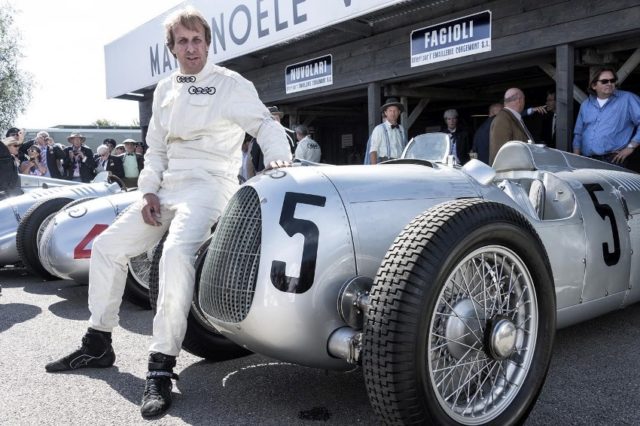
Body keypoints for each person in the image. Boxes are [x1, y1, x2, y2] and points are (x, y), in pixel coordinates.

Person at [44, 6, 292, 420]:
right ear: (172, 47)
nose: (191, 48)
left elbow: (265, 125)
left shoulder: (230, 84)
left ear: (208, 43)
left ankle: (160, 366)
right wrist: (146, 192)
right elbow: (155, 149)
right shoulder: (164, 89)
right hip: (166, 187)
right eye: (182, 41)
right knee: (106, 246)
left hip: (211, 184)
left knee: (176, 256)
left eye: (197, 40)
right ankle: (97, 342)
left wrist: (280, 161)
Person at [573, 66, 640, 168]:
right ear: (594, 85)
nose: (609, 84)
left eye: (612, 80)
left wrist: (631, 147)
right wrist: (576, 158)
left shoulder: (627, 99)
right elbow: (578, 133)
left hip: (613, 159)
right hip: (586, 160)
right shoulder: (586, 104)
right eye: (604, 81)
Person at [489, 88, 536, 163]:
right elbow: (500, 155)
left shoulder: (510, 118)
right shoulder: (503, 120)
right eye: (524, 99)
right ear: (519, 100)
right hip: (513, 173)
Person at [250, 105, 291, 174]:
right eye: (275, 118)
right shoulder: (289, 134)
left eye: (277, 118)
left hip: (272, 171)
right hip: (274, 171)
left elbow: (254, 158)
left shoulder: (260, 134)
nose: (276, 120)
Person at [368, 97, 407, 164]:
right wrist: (374, 170)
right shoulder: (379, 129)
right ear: (386, 113)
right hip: (385, 164)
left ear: (399, 112)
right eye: (390, 111)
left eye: (395, 110)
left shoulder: (401, 129)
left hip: (401, 164)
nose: (393, 113)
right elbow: (373, 151)